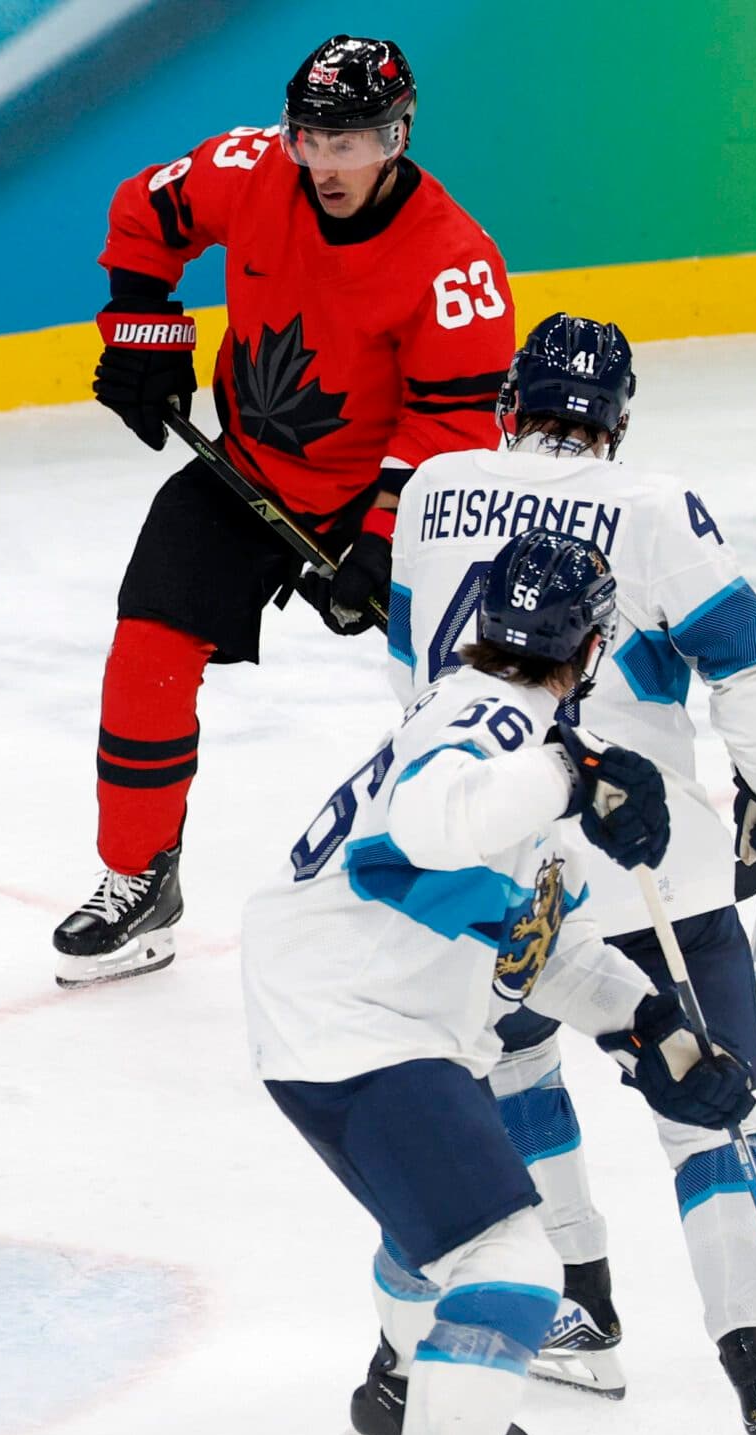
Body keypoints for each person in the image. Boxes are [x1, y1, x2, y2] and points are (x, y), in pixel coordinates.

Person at [241, 529, 756, 1435]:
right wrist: (574, 772)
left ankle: (396, 1396)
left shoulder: (494, 726)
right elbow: (424, 830)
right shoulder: (497, 726)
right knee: (512, 1266)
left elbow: (531, 939)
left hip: (338, 1013)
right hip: (356, 1023)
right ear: (595, 639)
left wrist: (655, 1030)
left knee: (439, 1235)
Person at [370, 313, 756, 1435]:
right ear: (618, 419)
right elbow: (755, 665)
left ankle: (577, 1305)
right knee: (707, 1105)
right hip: (649, 867)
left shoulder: (431, 489)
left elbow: (403, 672)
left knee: (514, 1069)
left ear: (505, 404)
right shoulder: (649, 502)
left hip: (488, 855)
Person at [58, 34, 518, 986]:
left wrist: (385, 543)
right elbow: (146, 214)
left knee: (457, 695)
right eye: (308, 136)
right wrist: (144, 336)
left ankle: (484, 874)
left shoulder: (454, 264)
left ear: (396, 134)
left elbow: (453, 423)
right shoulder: (253, 169)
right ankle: (141, 876)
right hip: (248, 471)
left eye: (347, 142)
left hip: (394, 497)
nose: (321, 161)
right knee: (146, 646)